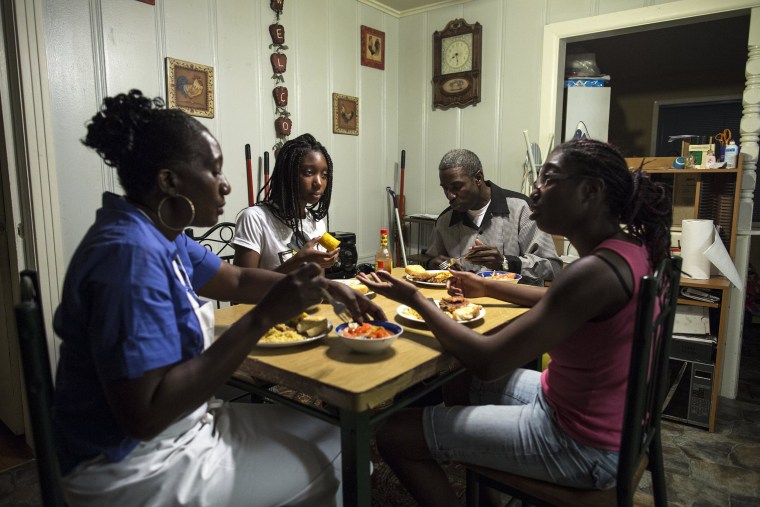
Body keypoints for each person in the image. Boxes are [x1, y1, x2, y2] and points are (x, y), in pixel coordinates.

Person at [52, 90, 384, 507]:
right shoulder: (129, 256)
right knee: (348, 462)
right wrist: (262, 318)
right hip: (133, 465)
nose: (226, 184)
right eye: (213, 170)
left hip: (184, 425)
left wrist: (323, 284)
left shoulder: (162, 235)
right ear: (169, 181)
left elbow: (240, 279)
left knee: (340, 436)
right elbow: (144, 416)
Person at [358, 138, 672, 507]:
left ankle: (469, 455)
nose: (535, 188)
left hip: (585, 445)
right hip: (603, 416)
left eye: (549, 178)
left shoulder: (592, 272)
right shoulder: (629, 252)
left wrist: (413, 299)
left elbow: (488, 362)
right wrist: (485, 284)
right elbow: (557, 300)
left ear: (590, 191)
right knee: (459, 380)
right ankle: (485, 484)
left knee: (395, 433)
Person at [424, 148, 562, 285]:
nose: (450, 196)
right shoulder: (444, 221)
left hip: (514, 303)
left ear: (478, 178)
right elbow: (433, 261)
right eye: (445, 188)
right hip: (463, 303)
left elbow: (553, 267)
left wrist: (505, 263)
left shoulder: (522, 208)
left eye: (456, 187)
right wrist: (433, 264)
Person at [232, 133, 340, 273]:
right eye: (309, 172)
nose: (319, 183)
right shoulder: (254, 219)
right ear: (287, 174)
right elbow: (243, 288)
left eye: (324, 175)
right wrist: (296, 262)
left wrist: (324, 264)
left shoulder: (317, 223)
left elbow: (317, 283)